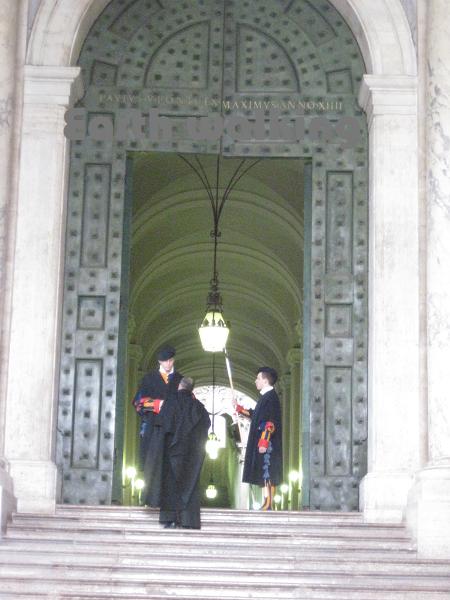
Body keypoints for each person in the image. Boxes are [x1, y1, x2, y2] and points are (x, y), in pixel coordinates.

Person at [142, 376, 211, 529]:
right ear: (191, 389)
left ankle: (169, 518)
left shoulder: (170, 403)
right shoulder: (199, 407)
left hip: (170, 451)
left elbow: (160, 426)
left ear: (179, 385)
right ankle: (189, 520)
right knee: (190, 486)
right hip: (190, 456)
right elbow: (205, 425)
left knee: (169, 485)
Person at [236, 367, 282, 510]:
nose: (255, 381)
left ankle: (268, 503)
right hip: (262, 441)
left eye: (258, 378)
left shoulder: (271, 398)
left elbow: (270, 422)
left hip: (268, 443)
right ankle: (266, 502)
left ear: (265, 381)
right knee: (263, 473)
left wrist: (264, 441)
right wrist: (239, 409)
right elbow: (256, 415)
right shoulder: (265, 397)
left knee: (268, 472)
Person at [132, 345, 183, 471]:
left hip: (173, 430)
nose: (168, 363)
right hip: (153, 427)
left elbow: (186, 403)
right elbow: (138, 402)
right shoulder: (149, 379)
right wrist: (157, 405)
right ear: (160, 361)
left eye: (171, 360)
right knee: (152, 466)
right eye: (165, 361)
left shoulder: (180, 380)